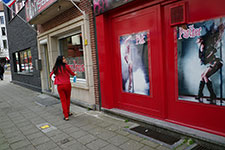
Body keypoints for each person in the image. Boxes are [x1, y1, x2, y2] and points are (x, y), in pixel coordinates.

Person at [195, 23, 224, 104]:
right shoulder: (200, 48)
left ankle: (212, 95)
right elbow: (204, 59)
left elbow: (213, 51)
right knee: (202, 76)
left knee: (204, 76)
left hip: (216, 62)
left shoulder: (206, 47)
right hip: (212, 63)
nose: (197, 39)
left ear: (201, 40)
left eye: (198, 39)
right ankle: (200, 94)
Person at [50, 56, 76, 121]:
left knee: (63, 101)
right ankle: (68, 112)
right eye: (64, 59)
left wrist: (56, 79)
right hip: (67, 84)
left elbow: (51, 75)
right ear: (61, 60)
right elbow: (72, 74)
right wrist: (74, 74)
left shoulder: (55, 68)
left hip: (60, 86)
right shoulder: (66, 66)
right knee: (67, 99)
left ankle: (66, 116)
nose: (65, 59)